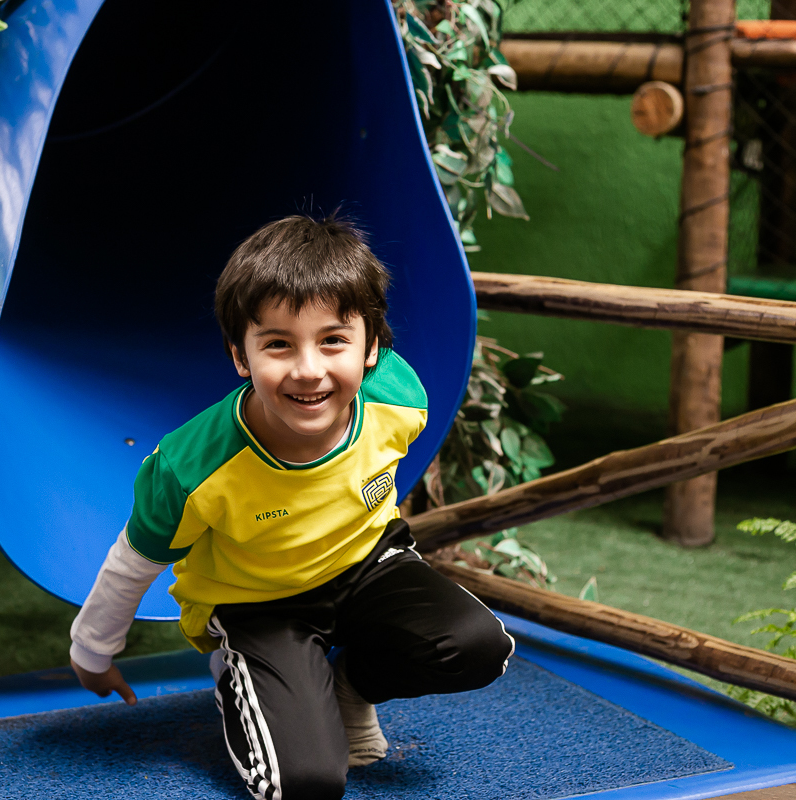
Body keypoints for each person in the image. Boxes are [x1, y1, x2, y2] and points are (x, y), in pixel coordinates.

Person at [69, 214, 514, 799]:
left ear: (372, 348)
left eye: (333, 340)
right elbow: (133, 562)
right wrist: (92, 649)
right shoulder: (190, 468)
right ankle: (242, 676)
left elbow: (368, 477)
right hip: (258, 605)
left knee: (482, 648)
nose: (309, 369)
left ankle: (350, 684)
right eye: (278, 344)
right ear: (240, 356)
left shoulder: (399, 399)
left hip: (367, 567)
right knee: (304, 784)